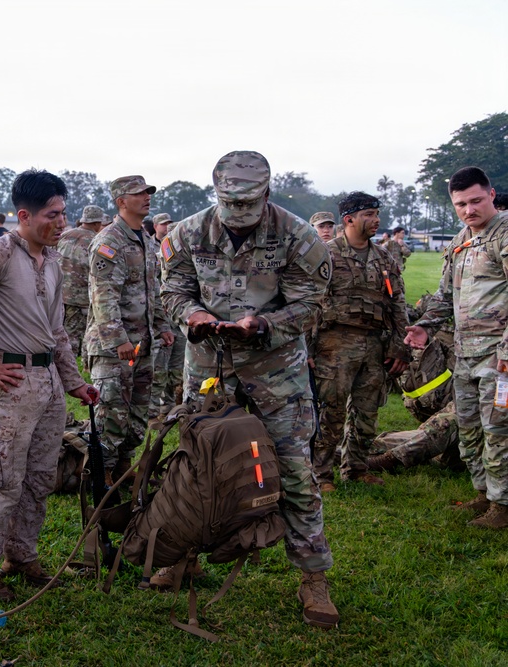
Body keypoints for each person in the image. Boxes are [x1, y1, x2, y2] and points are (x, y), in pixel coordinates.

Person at [160, 150, 338, 628]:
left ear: (265, 194)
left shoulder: (298, 236)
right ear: (216, 192)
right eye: (229, 203)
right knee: (196, 467)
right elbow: (172, 289)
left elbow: (311, 300)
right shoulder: (187, 233)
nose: (238, 214)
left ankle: (313, 577)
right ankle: (181, 556)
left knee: (295, 471)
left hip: (275, 373)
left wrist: (262, 324)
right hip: (208, 369)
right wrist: (192, 316)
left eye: (247, 204)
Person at [0, 169, 97, 601]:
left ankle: (22, 556)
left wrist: (74, 382)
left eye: (64, 213)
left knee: (39, 478)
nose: (61, 223)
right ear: (23, 215)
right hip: (9, 385)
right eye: (53, 214)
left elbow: (57, 332)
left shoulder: (53, 261)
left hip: (47, 386)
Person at [406, 166, 508, 530]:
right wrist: (423, 325)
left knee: (499, 432)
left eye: (476, 201)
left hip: (499, 359)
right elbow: (444, 296)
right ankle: (482, 493)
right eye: (461, 204)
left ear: (491, 195)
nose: (469, 210)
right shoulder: (460, 241)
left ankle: (502, 506)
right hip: (465, 356)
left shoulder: (504, 234)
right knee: (469, 430)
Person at [311, 192, 409, 490]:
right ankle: (321, 473)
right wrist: (305, 347)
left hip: (374, 345)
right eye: (368, 214)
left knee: (367, 412)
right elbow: (307, 303)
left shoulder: (384, 257)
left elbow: (397, 304)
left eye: (376, 214)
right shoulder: (325, 254)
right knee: (331, 411)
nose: (375, 220)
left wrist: (399, 346)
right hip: (334, 344)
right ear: (349, 219)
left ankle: (356, 467)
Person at [85, 176, 173, 481]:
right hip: (116, 349)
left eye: (148, 192)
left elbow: (153, 290)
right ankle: (101, 476)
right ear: (122, 201)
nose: (147, 198)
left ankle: (123, 469)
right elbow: (103, 294)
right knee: (112, 413)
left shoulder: (146, 240)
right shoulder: (110, 241)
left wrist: (162, 325)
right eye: (139, 194)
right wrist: (117, 338)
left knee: (137, 415)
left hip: (143, 344)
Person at [147, 213, 186, 417]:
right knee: (159, 367)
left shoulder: (188, 260)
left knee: (177, 368)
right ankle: (153, 411)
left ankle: (170, 407)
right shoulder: (152, 253)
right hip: (162, 317)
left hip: (180, 320)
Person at [57, 204, 107, 361]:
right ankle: (73, 368)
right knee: (79, 335)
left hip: (58, 294)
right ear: (98, 223)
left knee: (60, 331)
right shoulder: (98, 240)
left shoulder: (65, 235)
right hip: (81, 298)